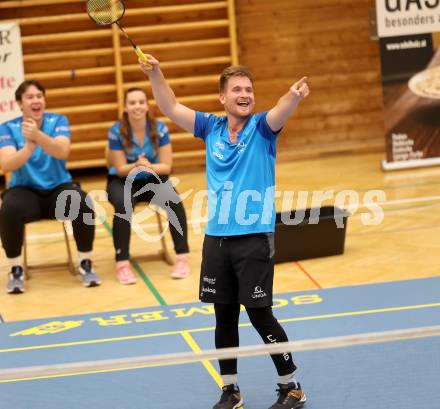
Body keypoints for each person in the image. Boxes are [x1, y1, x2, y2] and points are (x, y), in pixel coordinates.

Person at [139, 56, 310, 409]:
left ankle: (291, 385)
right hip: (217, 239)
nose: (245, 94)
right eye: (237, 90)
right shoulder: (210, 127)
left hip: (254, 238)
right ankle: (230, 391)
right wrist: (156, 72)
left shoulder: (263, 127)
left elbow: (280, 110)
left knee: (260, 313)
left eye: (249, 89)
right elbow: (170, 106)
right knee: (223, 315)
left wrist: (292, 96)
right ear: (223, 97)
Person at [0, 80, 100, 294]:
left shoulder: (58, 121)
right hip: (25, 191)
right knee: (9, 209)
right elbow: (6, 164)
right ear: (20, 103)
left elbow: (62, 151)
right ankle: (15, 269)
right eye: (30, 97)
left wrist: (37, 136)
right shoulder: (8, 128)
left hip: (58, 189)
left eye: (39, 96)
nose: (36, 100)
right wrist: (28, 147)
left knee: (82, 202)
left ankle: (85, 263)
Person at [106, 87, 190, 284]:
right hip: (123, 179)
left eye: (141, 102)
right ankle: (122, 263)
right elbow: (119, 168)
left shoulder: (159, 129)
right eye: (132, 103)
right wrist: (137, 165)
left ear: (147, 105)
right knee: (123, 205)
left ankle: (182, 258)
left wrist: (147, 166)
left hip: (153, 177)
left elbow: (166, 166)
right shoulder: (116, 131)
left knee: (174, 201)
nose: (137, 106)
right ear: (125, 107)